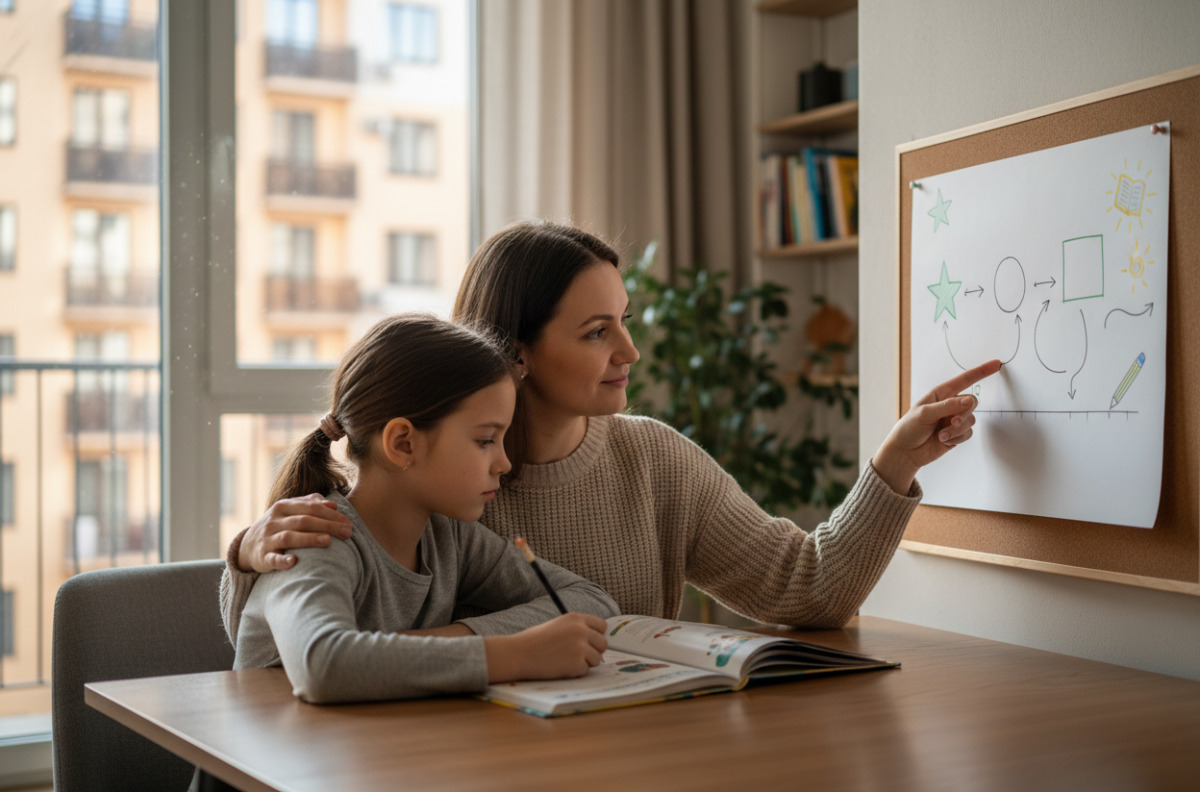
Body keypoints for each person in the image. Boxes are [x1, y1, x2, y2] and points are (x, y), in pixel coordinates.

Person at [222, 221, 1000, 636]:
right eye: (598, 332)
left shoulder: (654, 458)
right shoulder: (434, 482)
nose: (630, 351)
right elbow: (311, 641)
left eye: (625, 321)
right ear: (517, 352)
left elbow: (810, 590)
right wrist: (247, 556)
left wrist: (893, 466)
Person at [229, 312, 617, 705]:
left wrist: (441, 640)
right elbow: (324, 665)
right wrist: (517, 654)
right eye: (486, 440)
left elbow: (591, 600)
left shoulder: (449, 538)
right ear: (403, 444)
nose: (504, 463)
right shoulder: (315, 537)